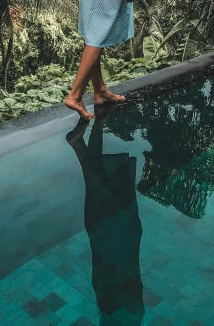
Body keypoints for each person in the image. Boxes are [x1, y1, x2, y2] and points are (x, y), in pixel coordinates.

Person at [66, 113, 145, 325]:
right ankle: (86, 139)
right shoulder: (126, 305)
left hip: (112, 235)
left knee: (100, 187)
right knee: (101, 186)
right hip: (115, 239)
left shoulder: (122, 303)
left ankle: (82, 144)